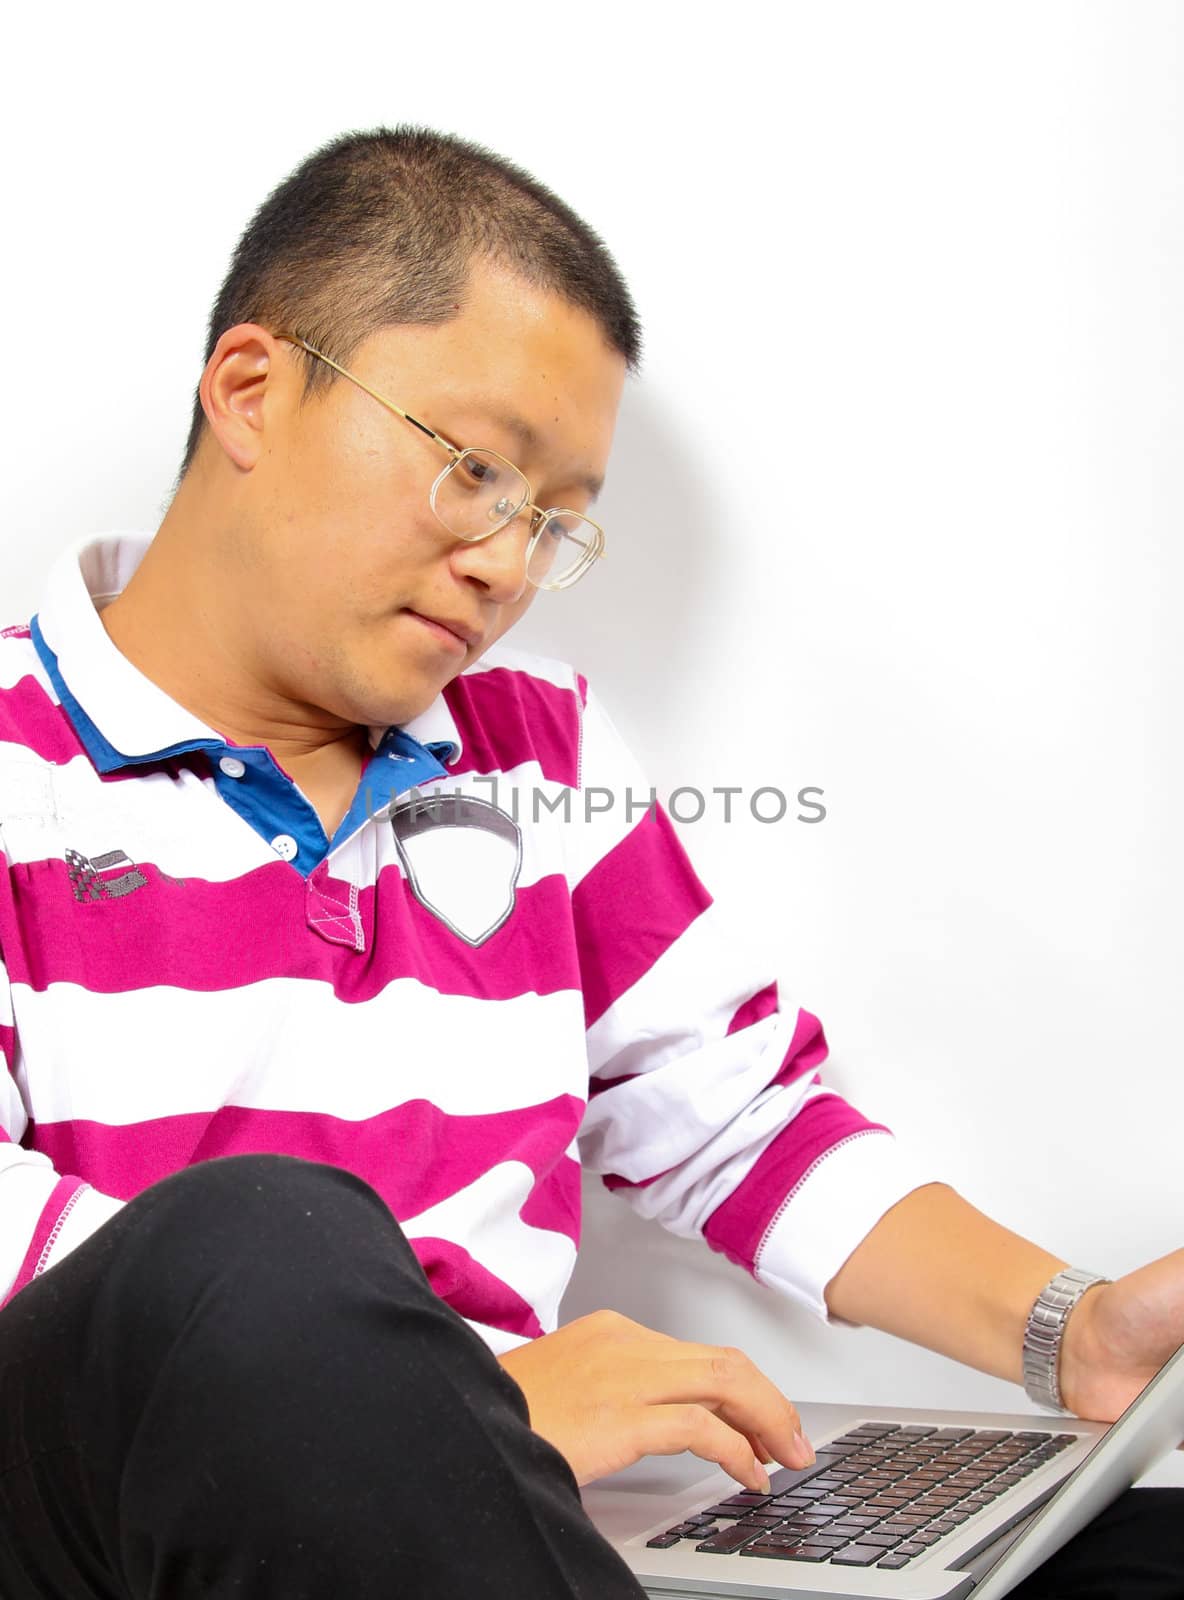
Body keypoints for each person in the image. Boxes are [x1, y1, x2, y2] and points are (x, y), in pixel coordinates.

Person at [0, 124, 1179, 1599]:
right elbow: (132, 1312)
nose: (505, 560)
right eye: (472, 468)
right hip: (121, 1530)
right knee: (264, 1236)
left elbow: (731, 1116)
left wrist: (1068, 1325)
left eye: (555, 521)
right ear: (252, 390)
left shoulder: (533, 748)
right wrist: (454, 1410)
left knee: (1135, 1559)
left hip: (507, 1520)